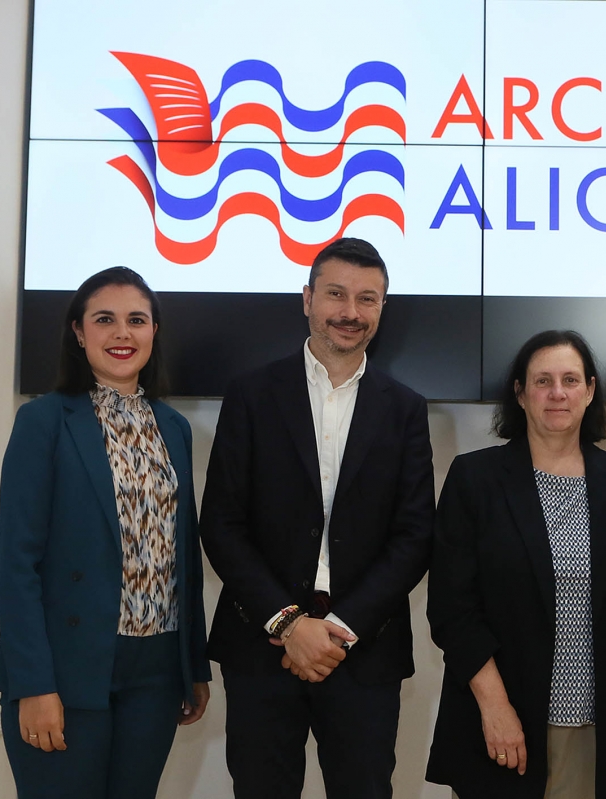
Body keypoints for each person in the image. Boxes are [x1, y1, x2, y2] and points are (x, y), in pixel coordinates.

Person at [200, 237, 435, 799]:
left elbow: (414, 535)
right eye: (335, 294)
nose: (350, 312)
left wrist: (339, 630)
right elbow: (222, 523)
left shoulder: (405, 409)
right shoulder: (251, 395)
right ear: (307, 299)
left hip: (364, 651)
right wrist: (288, 624)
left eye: (367, 299)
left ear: (382, 308)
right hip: (261, 648)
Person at [0, 267, 211, 799]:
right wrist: (34, 683)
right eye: (104, 320)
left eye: (137, 320)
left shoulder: (174, 428)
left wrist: (192, 665)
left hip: (156, 673)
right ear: (79, 332)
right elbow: (17, 563)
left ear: (154, 331)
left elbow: (183, 558)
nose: (122, 333)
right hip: (66, 667)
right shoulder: (43, 421)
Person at [426, 330, 606, 799]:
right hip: (501, 727)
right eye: (542, 381)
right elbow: (452, 609)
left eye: (570, 380)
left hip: (599, 728)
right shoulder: (475, 479)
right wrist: (496, 708)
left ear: (589, 391)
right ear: (520, 393)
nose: (557, 393)